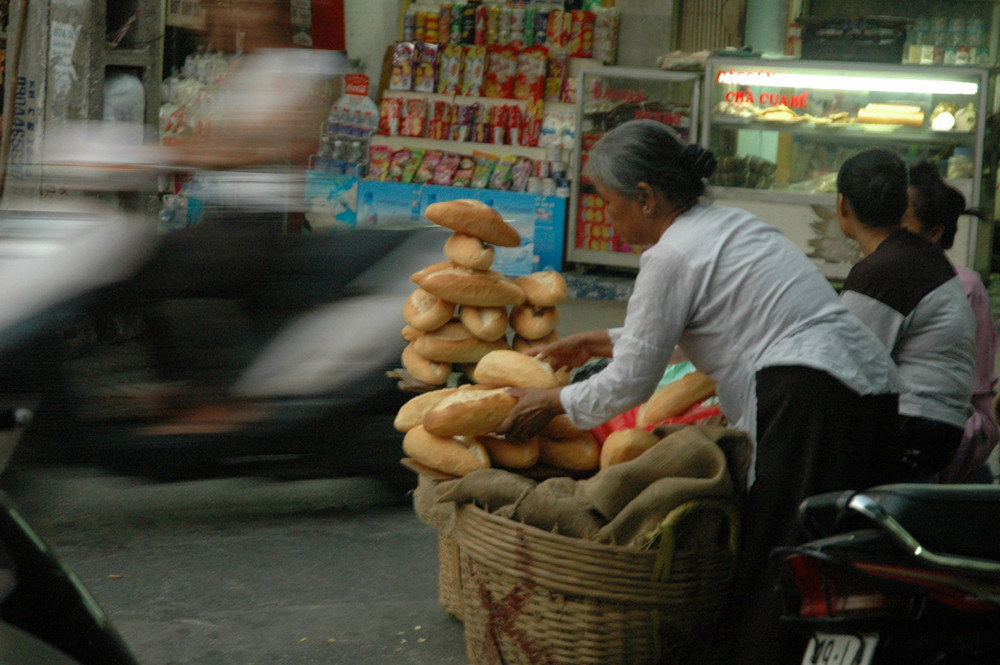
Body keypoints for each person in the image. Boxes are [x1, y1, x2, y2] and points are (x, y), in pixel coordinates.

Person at [495, 119, 902, 664]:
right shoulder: (727, 224)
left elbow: (635, 381)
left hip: (810, 395)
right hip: (866, 386)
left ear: (645, 197)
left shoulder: (670, 254)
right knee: (841, 548)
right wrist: (602, 341)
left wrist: (554, 402)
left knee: (780, 553)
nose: (606, 215)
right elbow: (714, 325)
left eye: (608, 201)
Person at [837, 150, 976, 481]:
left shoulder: (885, 270)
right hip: (937, 429)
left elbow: (843, 365)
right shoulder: (920, 257)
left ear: (842, 206)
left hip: (913, 426)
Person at [902, 160, 997, 484]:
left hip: (951, 433)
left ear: (933, 233)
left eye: (903, 222)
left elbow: (971, 391)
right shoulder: (887, 275)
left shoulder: (964, 287)